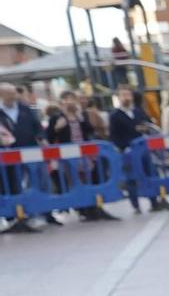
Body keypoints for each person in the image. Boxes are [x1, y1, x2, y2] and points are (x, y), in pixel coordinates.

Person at [47, 91, 117, 223]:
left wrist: (80, 117)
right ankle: (83, 210)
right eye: (66, 99)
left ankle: (95, 207)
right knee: (75, 182)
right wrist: (56, 128)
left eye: (72, 99)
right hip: (67, 156)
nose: (70, 102)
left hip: (85, 155)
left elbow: (89, 130)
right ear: (61, 101)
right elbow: (50, 137)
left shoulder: (82, 115)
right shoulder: (56, 118)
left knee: (90, 180)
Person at [1, 82, 44, 233]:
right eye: (10, 94)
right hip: (7, 156)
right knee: (11, 184)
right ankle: (14, 215)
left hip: (29, 152)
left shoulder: (25, 109)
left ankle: (36, 212)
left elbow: (37, 126)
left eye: (15, 93)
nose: (14, 96)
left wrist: (41, 137)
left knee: (33, 181)